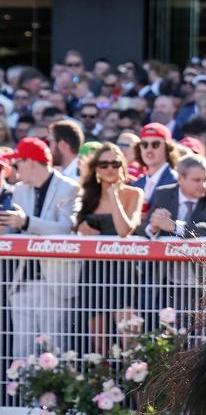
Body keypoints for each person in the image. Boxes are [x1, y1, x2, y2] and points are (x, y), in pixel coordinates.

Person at [0, 137, 81, 353]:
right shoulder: (18, 190)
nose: (14, 169)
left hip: (54, 283)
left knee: (54, 351)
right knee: (21, 354)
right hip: (21, 281)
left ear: (32, 162)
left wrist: (26, 222)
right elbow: (11, 230)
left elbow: (66, 229)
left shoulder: (69, 188)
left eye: (17, 164)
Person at [73, 143, 144, 353]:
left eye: (115, 163)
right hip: (94, 272)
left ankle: (134, 383)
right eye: (104, 164)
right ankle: (103, 382)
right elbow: (74, 226)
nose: (110, 168)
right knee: (99, 345)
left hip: (124, 272)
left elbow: (124, 230)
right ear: (96, 169)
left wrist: (114, 195)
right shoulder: (87, 196)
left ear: (123, 165)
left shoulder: (134, 193)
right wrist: (82, 229)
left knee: (130, 340)